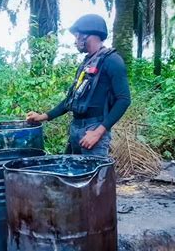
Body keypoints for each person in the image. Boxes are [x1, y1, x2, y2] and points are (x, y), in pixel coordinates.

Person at [26, 14, 131, 157]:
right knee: (73, 175)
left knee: (93, 178)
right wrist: (43, 116)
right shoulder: (87, 63)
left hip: (93, 129)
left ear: (89, 35)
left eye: (77, 36)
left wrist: (98, 133)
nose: (75, 41)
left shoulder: (112, 60)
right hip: (76, 128)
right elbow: (71, 100)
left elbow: (124, 99)